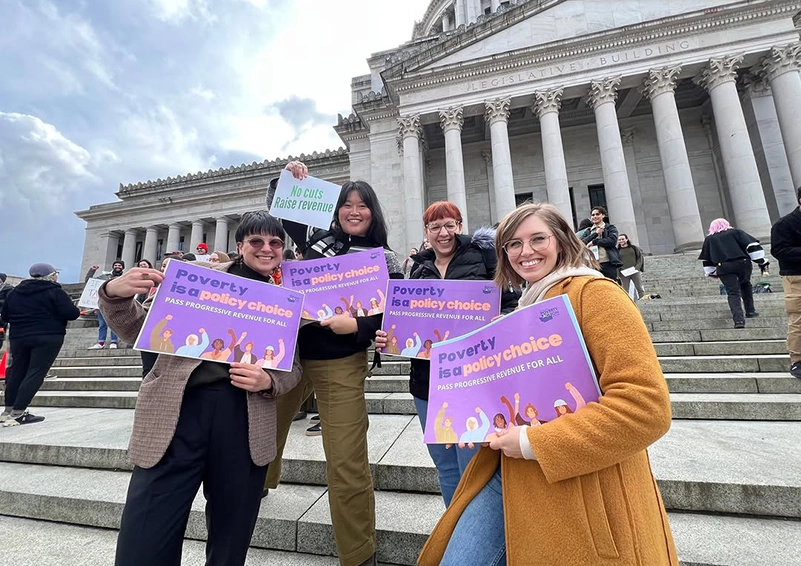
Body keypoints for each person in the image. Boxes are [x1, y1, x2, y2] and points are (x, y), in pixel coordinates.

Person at [417, 202, 678, 566]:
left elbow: (646, 407)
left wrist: (530, 441)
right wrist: (475, 418)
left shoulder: (596, 294)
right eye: (513, 244)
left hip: (579, 486)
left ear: (561, 240)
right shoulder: (528, 304)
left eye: (537, 238)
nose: (526, 252)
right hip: (513, 474)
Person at [97, 211, 302, 566]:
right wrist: (113, 294)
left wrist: (270, 380)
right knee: (145, 536)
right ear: (239, 246)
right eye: (257, 241)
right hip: (177, 412)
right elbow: (137, 331)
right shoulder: (197, 280)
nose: (267, 249)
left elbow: (293, 366)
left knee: (231, 537)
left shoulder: (283, 300)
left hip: (244, 417)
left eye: (275, 243)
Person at [264, 161, 403, 566]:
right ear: (337, 209)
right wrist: (292, 177)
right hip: (288, 355)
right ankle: (262, 481)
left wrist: (356, 327)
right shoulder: (316, 238)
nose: (354, 211)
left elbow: (392, 316)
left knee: (346, 459)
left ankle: (358, 553)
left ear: (373, 212)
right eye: (347, 204)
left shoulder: (385, 259)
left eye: (362, 205)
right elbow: (281, 203)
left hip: (340, 361)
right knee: (263, 431)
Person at [375, 201, 518, 506]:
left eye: (449, 224)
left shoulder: (483, 256)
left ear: (460, 226)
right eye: (435, 226)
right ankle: (453, 529)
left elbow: (512, 301)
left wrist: (501, 319)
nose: (443, 233)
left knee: (471, 463)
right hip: (427, 379)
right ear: (426, 231)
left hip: (472, 377)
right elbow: (407, 317)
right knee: (445, 464)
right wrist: (389, 335)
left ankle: (475, 533)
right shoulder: (419, 266)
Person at [0, 263, 79, 427]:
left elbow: (5, 315)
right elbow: (72, 313)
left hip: (19, 337)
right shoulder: (54, 291)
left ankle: (8, 411)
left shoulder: (15, 292)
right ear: (51, 276)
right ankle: (19, 412)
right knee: (35, 373)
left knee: (16, 372)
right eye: (55, 273)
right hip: (47, 336)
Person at [698, 218, 769, 329]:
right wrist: (761, 261)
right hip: (742, 263)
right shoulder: (736, 232)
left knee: (733, 293)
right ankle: (750, 311)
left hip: (724, 266)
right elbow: (751, 246)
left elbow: (707, 258)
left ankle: (739, 320)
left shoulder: (709, 239)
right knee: (745, 284)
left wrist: (711, 272)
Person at [771, 187, 801, 378]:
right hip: (796, 277)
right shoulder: (785, 224)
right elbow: (779, 251)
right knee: (798, 318)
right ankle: (797, 360)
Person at [86, 260, 125, 349]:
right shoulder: (105, 276)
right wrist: (92, 271)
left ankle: (114, 342)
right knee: (102, 324)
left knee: (114, 324)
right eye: (115, 265)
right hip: (103, 304)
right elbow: (89, 281)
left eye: (119, 265)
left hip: (116, 304)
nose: (117, 266)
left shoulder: (125, 277)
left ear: (123, 267)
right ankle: (100, 342)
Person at [579, 206, 622, 280]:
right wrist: (595, 234)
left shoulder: (610, 228)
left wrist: (595, 242)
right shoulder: (588, 231)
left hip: (607, 262)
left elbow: (612, 240)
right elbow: (582, 243)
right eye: (593, 215)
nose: (595, 216)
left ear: (603, 215)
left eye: (597, 214)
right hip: (592, 264)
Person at [617, 233, 646, 298]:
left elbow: (640, 258)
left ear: (626, 239)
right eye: (619, 240)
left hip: (634, 271)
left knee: (639, 288)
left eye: (623, 239)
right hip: (624, 273)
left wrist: (637, 267)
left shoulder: (634, 248)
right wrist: (618, 273)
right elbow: (616, 262)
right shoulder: (617, 251)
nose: (621, 241)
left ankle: (643, 301)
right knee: (625, 289)